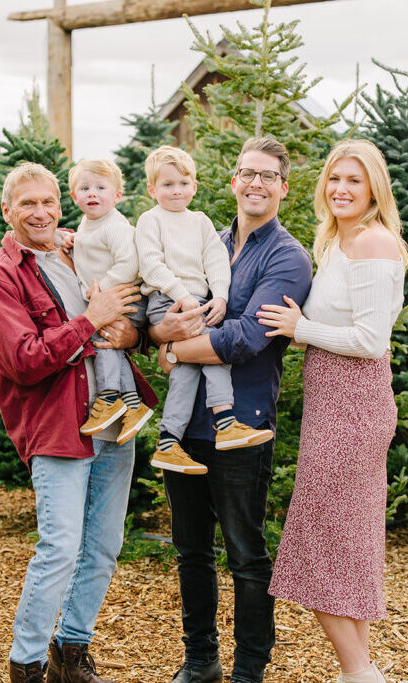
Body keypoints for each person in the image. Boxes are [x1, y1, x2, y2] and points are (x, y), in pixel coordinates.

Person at [0, 161, 157, 683]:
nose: (40, 212)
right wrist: (90, 319)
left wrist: (132, 336)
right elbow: (25, 360)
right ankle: (26, 663)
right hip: (58, 427)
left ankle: (70, 653)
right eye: (27, 203)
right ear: (7, 211)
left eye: (48, 201)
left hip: (112, 416)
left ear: (62, 203)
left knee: (103, 545)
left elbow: (127, 318)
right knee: (59, 546)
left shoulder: (80, 248)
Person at [152, 138, 313, 683]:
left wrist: (174, 348)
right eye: (247, 173)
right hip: (185, 427)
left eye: (268, 176)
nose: (256, 184)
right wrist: (162, 335)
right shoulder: (208, 240)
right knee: (190, 550)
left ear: (283, 188)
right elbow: (161, 305)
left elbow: (248, 337)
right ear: (232, 181)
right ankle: (200, 660)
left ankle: (248, 670)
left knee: (245, 552)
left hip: (242, 425)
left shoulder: (288, 256)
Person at [257, 139, 408, 683]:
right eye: (335, 179)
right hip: (332, 404)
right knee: (343, 548)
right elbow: (339, 325)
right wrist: (305, 326)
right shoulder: (338, 241)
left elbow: (370, 340)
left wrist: (302, 329)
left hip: (355, 407)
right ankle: (358, 674)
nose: (341, 189)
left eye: (354, 181)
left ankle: (362, 674)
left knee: (317, 546)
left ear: (373, 190)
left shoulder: (371, 243)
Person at [137, 145, 274, 475]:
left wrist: (222, 297)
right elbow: (152, 266)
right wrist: (182, 296)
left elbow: (216, 261)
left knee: (187, 369)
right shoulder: (150, 220)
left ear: (194, 186)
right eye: (167, 185)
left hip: (199, 300)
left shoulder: (199, 222)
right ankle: (225, 421)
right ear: (152, 189)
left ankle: (169, 441)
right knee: (215, 347)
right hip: (166, 300)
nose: (176, 191)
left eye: (183, 183)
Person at [67, 158, 153, 444]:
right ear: (73, 195)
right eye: (85, 187)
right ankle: (132, 404)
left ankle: (108, 398)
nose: (92, 193)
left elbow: (129, 265)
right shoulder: (86, 224)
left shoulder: (115, 226)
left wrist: (100, 290)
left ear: (117, 196)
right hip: (110, 298)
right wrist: (71, 242)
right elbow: (87, 246)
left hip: (128, 298)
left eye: (101, 187)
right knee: (109, 341)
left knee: (102, 338)